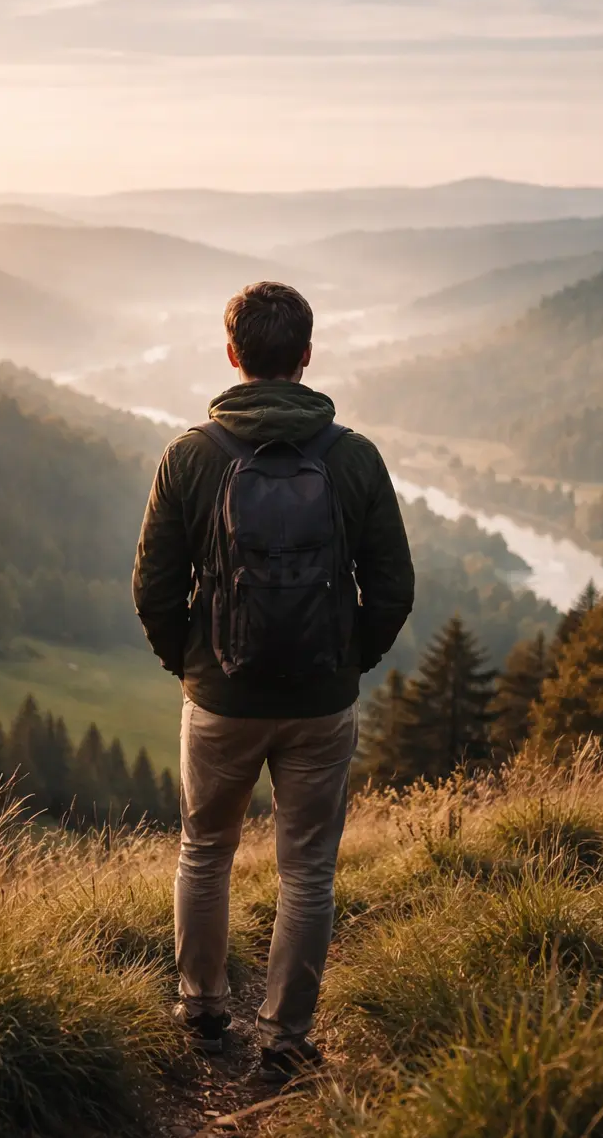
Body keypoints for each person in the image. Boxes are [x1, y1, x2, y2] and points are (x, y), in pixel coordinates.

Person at [132, 281, 414, 1081]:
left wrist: (194, 666)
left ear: (232, 355)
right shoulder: (353, 458)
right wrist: (347, 662)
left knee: (205, 851)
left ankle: (201, 1011)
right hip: (322, 704)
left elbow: (154, 591)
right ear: (307, 356)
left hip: (219, 699)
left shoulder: (190, 457)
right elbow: (393, 588)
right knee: (308, 871)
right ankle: (287, 1038)